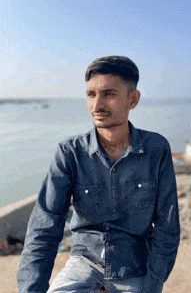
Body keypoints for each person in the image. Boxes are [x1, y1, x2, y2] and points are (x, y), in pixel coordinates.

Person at [17, 56, 180, 293]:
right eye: (91, 94)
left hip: (134, 268)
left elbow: (168, 226)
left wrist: (152, 285)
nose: (97, 105)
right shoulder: (70, 153)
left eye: (109, 94)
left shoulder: (156, 149)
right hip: (84, 262)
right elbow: (44, 227)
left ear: (133, 99)